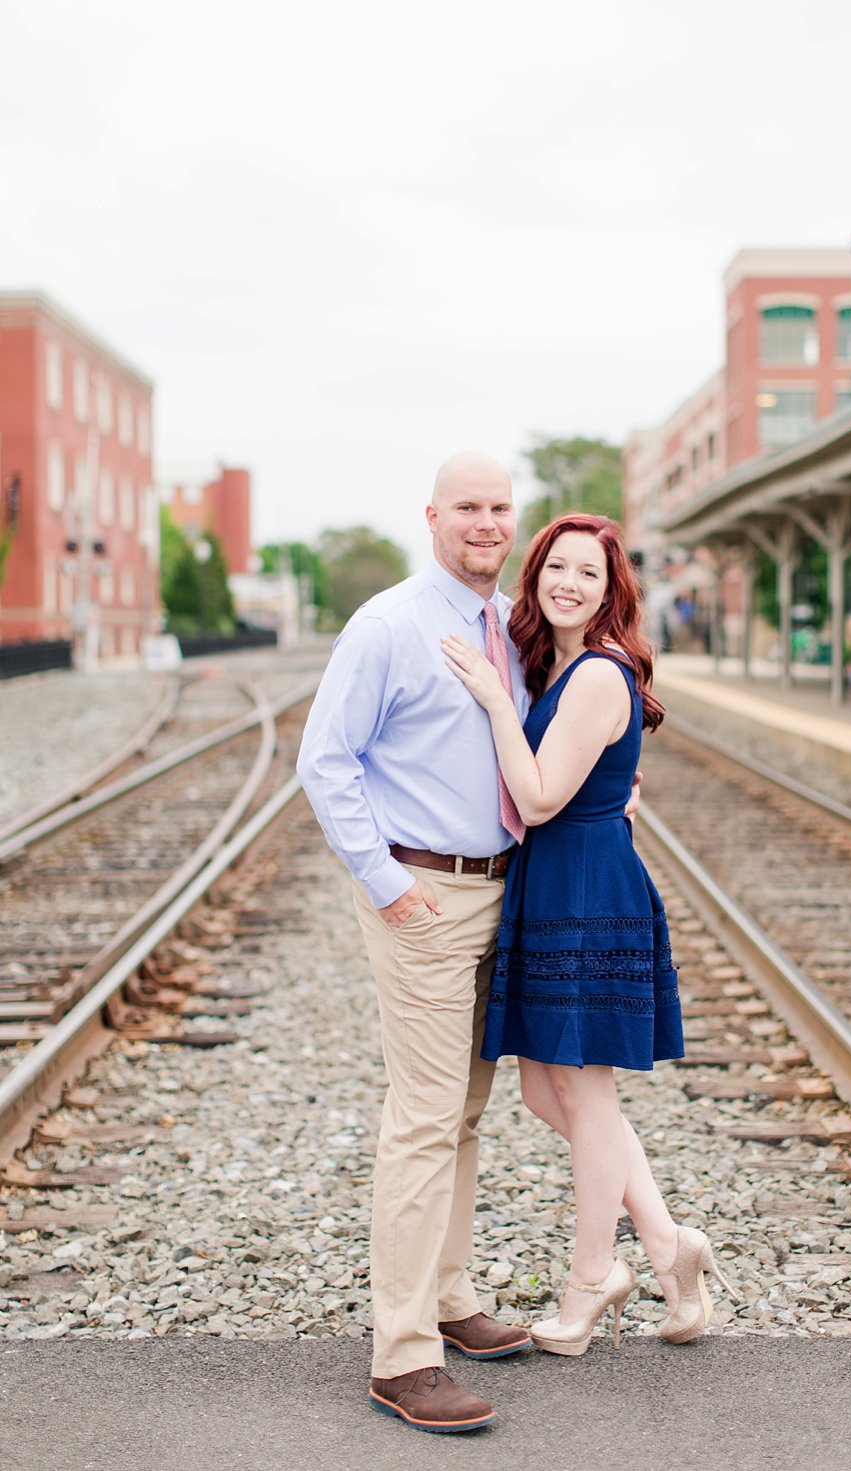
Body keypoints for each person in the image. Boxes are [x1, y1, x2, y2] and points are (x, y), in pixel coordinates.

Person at [439, 513, 732, 1358]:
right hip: (559, 883)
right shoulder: (558, 666)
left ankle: (591, 1277)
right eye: (556, 567)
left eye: (589, 574)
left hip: (586, 894)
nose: (569, 582)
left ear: (611, 594)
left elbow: (534, 797)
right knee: (546, 1092)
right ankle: (671, 1244)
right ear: (535, 578)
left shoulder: (598, 673)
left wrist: (494, 701)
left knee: (588, 1097)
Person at [298, 452, 536, 1434]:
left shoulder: (516, 625)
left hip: (501, 890)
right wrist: (388, 886)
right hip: (424, 894)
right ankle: (402, 1354)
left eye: (499, 507)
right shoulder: (390, 623)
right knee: (424, 1117)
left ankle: (448, 1292)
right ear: (433, 515)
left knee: (467, 1113)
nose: (485, 522)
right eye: (467, 507)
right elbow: (325, 759)